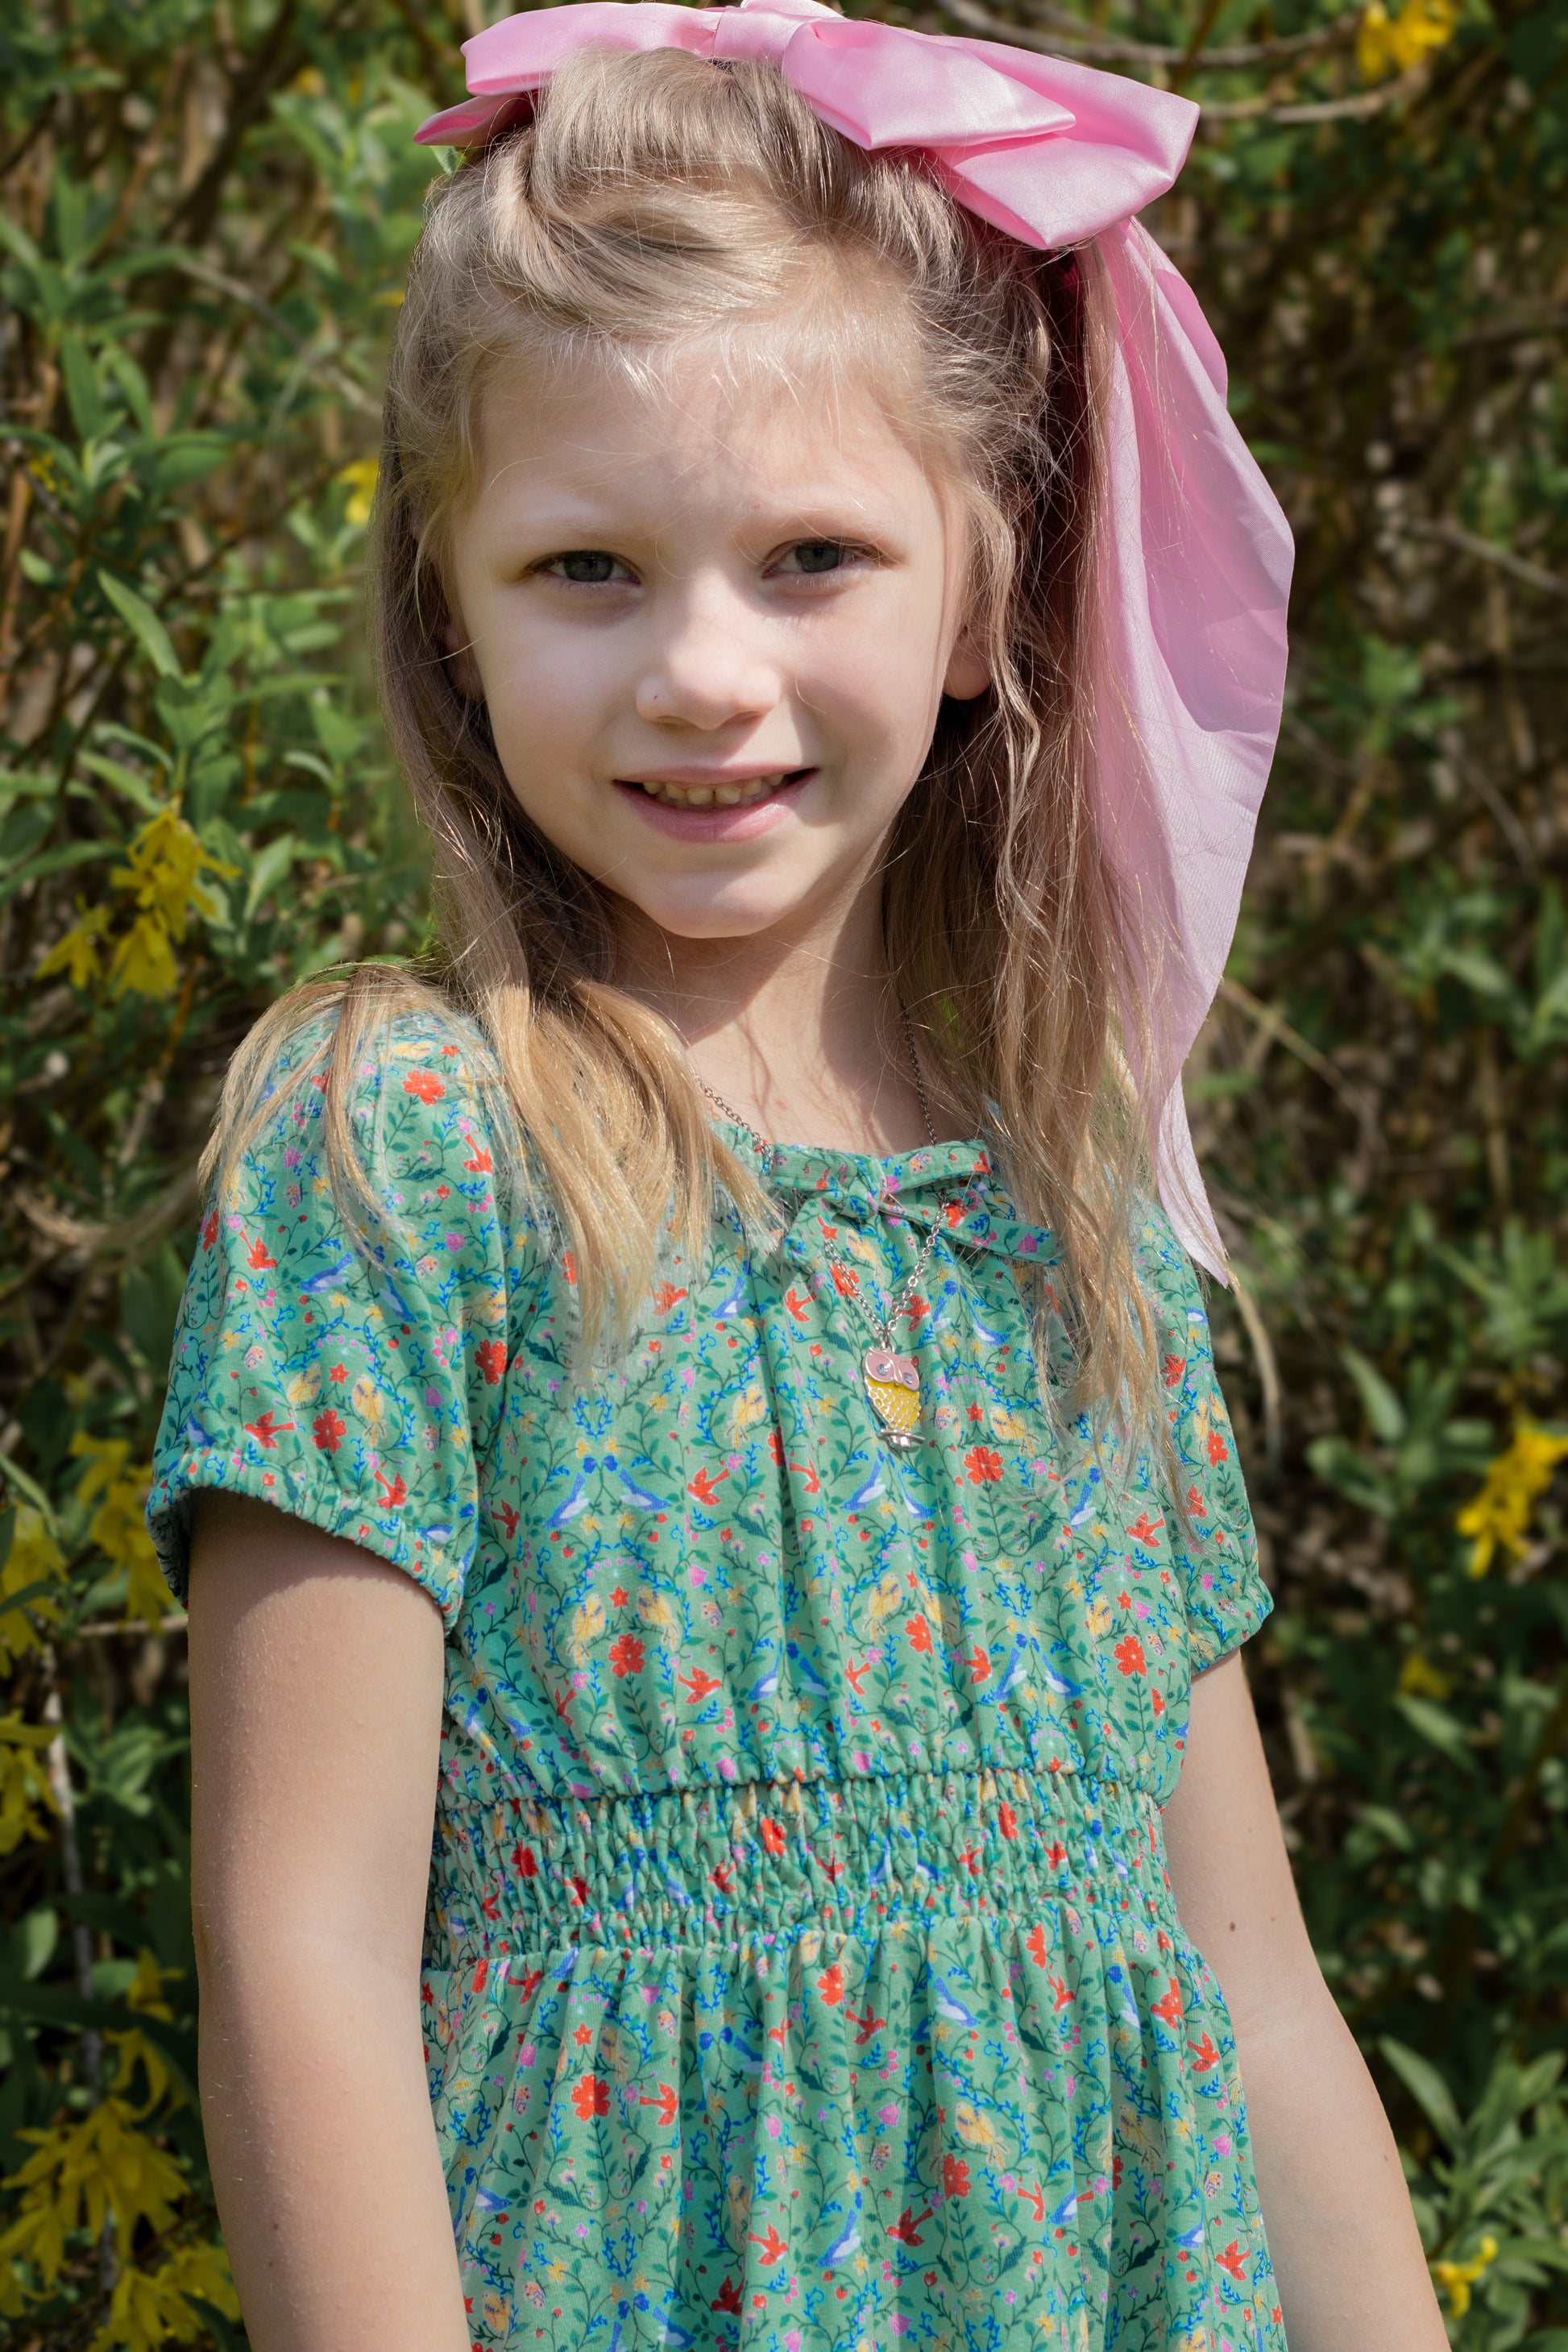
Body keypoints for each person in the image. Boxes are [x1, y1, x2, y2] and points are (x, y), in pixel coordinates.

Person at [147, 5, 1448, 2346]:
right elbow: (302, 1954)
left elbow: (1252, 1998)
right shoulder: (406, 1146)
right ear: (449, 602)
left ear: (978, 598)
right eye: (585, 571)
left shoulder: (1079, 1232)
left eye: (811, 556)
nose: (703, 675)